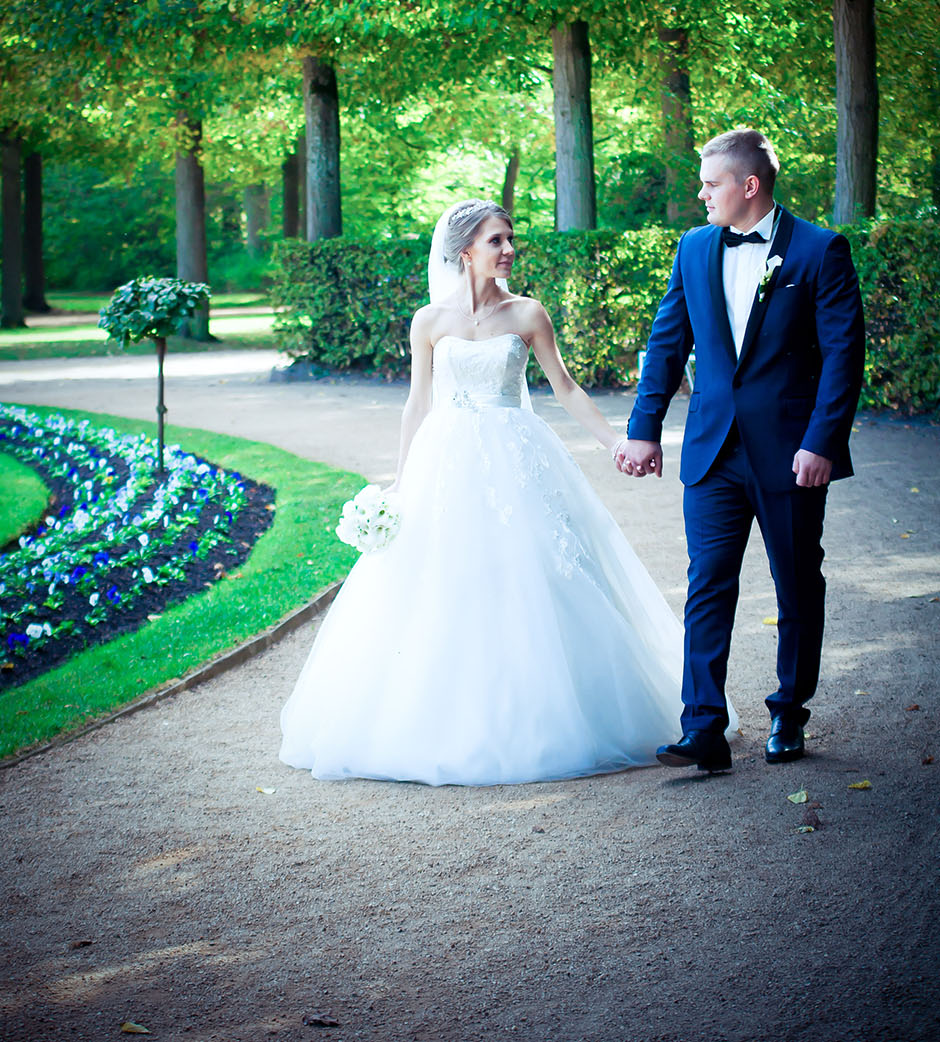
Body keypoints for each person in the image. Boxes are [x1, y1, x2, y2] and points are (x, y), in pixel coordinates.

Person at [280, 198, 719, 786]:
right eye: (497, 241)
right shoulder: (429, 321)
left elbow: (564, 388)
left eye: (510, 239)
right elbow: (418, 403)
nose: (509, 249)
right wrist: (402, 482)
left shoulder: (528, 314)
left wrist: (615, 439)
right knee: (445, 580)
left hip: (519, 455)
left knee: (540, 573)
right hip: (446, 458)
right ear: (465, 252)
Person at [615, 129, 865, 773]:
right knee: (707, 586)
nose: (701, 195)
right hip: (711, 451)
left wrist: (822, 442)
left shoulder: (819, 251)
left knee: (796, 583)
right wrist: (645, 427)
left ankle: (789, 711)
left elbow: (843, 357)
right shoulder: (695, 247)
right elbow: (667, 340)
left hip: (790, 453)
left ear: (748, 186)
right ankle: (703, 727)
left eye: (711, 183)